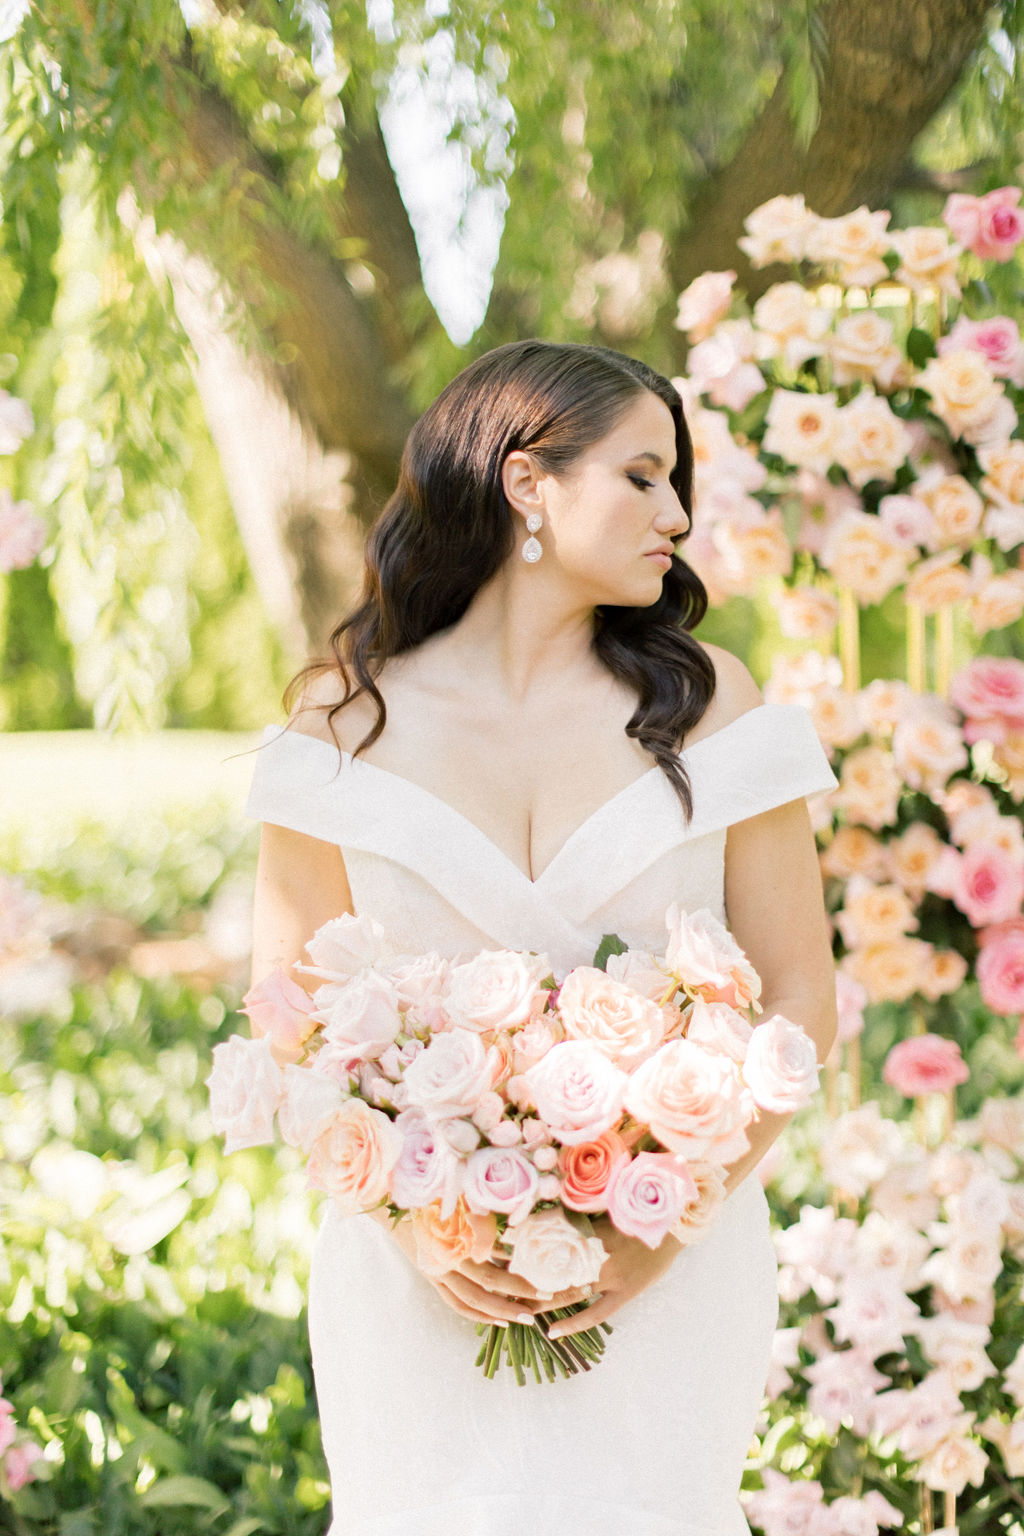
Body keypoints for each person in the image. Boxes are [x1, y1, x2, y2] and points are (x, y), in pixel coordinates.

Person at [241, 339, 839, 1535]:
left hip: (674, 1273)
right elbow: (287, 1018)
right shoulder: (341, 719)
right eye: (642, 476)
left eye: (677, 484)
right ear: (528, 484)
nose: (675, 514)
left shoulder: (715, 704)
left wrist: (668, 1219)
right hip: (417, 1283)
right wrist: (420, 1228)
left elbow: (798, 995)